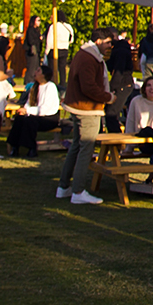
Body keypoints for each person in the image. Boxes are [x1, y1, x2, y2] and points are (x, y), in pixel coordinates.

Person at [56, 27, 117, 206]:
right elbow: (88, 87)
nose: (110, 46)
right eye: (108, 43)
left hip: (79, 107)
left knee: (76, 147)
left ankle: (64, 186)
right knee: (86, 149)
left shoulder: (84, 55)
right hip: (86, 109)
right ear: (98, 41)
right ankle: (78, 191)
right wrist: (108, 97)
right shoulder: (89, 58)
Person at [7, 63, 61, 157]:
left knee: (30, 121)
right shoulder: (34, 87)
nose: (35, 72)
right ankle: (15, 146)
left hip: (49, 118)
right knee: (20, 119)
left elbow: (45, 109)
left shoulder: (50, 87)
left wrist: (27, 111)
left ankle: (31, 148)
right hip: (35, 115)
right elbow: (29, 103)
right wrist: (24, 110)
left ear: (43, 75)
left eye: (38, 71)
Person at [105, 30, 135, 134]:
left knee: (111, 113)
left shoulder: (120, 52)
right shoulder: (120, 49)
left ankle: (116, 138)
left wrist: (112, 88)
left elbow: (119, 71)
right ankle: (114, 137)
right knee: (113, 112)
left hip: (123, 84)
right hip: (124, 83)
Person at [45, 17, 74, 88]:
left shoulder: (53, 26)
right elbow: (71, 39)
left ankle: (52, 84)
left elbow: (49, 40)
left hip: (54, 49)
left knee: (52, 68)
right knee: (62, 68)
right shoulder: (68, 26)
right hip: (64, 49)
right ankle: (62, 85)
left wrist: (47, 51)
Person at [23, 14, 43, 81]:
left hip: (36, 51)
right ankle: (28, 81)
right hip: (31, 51)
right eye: (38, 20)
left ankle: (34, 81)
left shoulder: (37, 30)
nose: (39, 22)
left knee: (36, 67)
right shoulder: (30, 30)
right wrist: (39, 39)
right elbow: (31, 41)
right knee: (31, 68)